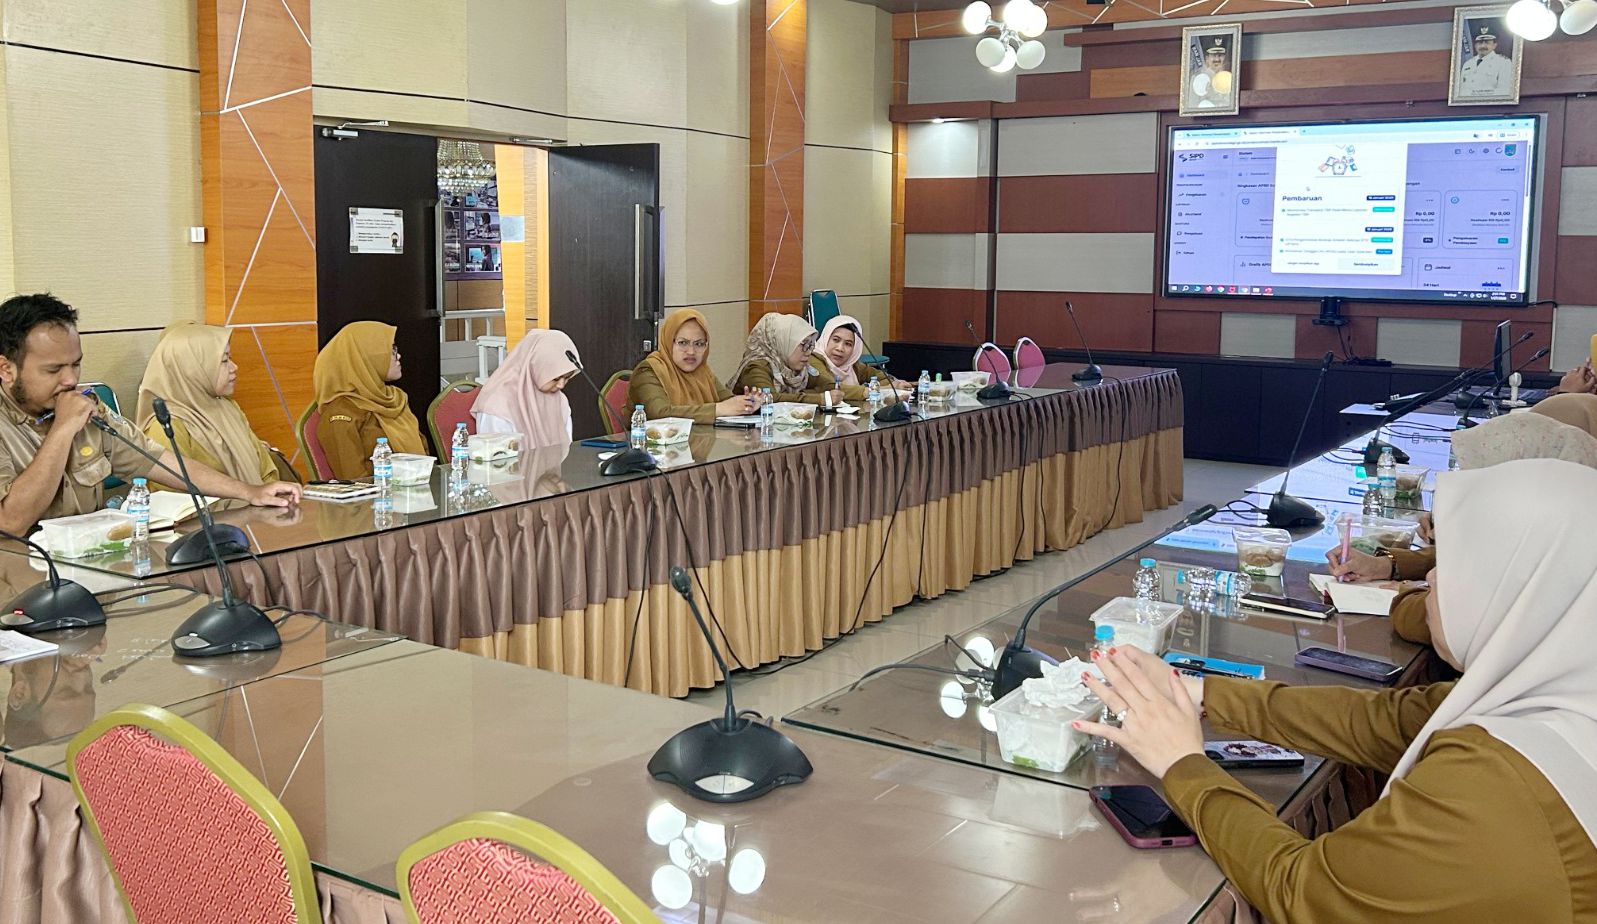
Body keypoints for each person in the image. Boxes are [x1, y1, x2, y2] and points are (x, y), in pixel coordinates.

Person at [1080, 458, 1597, 922]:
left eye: (1454, 566)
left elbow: (1306, 891)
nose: (1431, 579)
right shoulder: (1556, 697)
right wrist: (1201, 693)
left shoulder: (1494, 784)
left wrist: (1183, 764)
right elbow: (1385, 721)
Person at [0, 294, 299, 535]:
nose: (70, 380)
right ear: (6, 369)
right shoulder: (60, 417)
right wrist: (63, 430)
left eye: (75, 364)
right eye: (53, 370)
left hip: (87, 562)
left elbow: (158, 461)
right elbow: (11, 522)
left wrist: (249, 492)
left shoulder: (87, 408)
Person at [1327, 411, 1597, 643]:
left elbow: (1426, 621)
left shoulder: (1557, 566)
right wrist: (1387, 564)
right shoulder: (1573, 524)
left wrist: (1410, 592)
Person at [135, 323, 279, 486]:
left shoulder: (227, 407)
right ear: (193, 369)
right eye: (224, 361)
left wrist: (273, 494)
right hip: (220, 504)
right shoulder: (167, 425)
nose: (234, 367)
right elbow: (173, 495)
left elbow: (266, 470)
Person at [312, 321, 427, 479]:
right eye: (391, 351)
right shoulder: (342, 414)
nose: (398, 356)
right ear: (364, 359)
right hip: (379, 493)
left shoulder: (394, 399)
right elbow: (354, 480)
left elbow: (423, 454)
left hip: (417, 486)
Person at [628, 309, 756, 425]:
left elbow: (727, 401)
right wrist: (717, 410)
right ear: (668, 341)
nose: (691, 351)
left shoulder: (703, 372)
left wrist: (748, 403)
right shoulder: (648, 371)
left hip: (699, 441)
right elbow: (660, 413)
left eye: (699, 344)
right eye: (683, 343)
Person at [471, 329, 579, 449]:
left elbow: (566, 447)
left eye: (567, 378)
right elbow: (494, 455)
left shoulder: (560, 400)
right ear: (535, 367)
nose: (561, 385)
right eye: (556, 378)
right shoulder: (497, 404)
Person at [729, 313, 845, 406]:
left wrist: (804, 394)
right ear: (782, 343)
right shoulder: (756, 367)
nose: (808, 352)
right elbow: (770, 399)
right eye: (803, 345)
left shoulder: (797, 369)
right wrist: (819, 399)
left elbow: (830, 386)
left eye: (810, 345)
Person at [812, 315, 910, 400]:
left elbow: (882, 377)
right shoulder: (814, 359)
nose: (840, 348)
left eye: (848, 344)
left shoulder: (852, 366)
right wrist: (879, 390)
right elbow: (829, 387)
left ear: (855, 349)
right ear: (826, 338)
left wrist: (895, 384)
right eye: (836, 340)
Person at [1458, 25, 1513, 98]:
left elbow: (1504, 91)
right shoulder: (1467, 64)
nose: (1483, 46)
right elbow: (1461, 90)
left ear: (1494, 45)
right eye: (1480, 42)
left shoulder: (1504, 62)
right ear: (1475, 45)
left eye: (1487, 42)